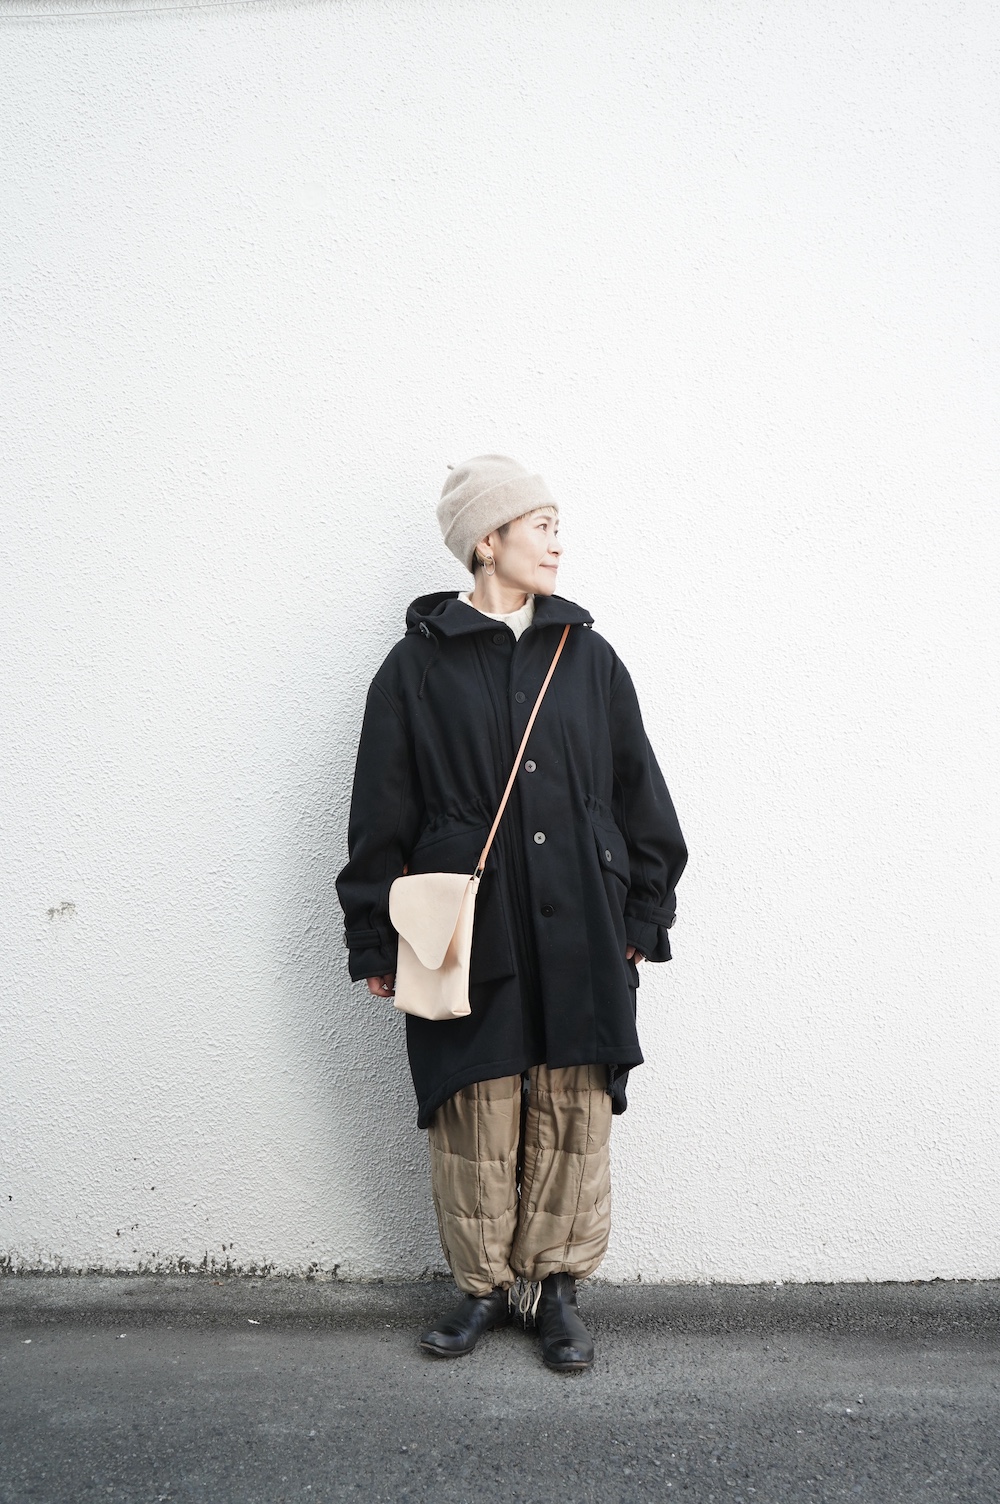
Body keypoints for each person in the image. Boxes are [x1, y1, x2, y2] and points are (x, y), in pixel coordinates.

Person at [336, 455, 686, 1371]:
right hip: (468, 925)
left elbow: (638, 790)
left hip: (583, 914)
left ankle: (557, 1291)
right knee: (475, 1102)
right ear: (486, 542)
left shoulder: (590, 658)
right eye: (540, 526)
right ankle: (480, 1289)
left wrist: (643, 915)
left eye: (558, 526)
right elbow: (380, 811)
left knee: (574, 1098)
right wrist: (373, 935)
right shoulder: (415, 668)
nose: (558, 543)